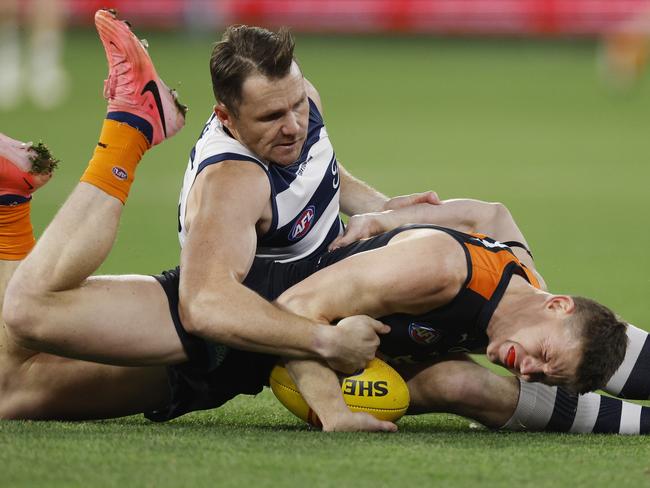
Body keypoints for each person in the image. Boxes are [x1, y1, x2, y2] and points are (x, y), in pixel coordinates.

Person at [2, 10, 649, 434]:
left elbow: (493, 216)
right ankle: (132, 127)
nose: (293, 126)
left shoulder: (303, 106)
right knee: (24, 321)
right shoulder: (232, 182)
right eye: (271, 118)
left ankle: (8, 201)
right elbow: (222, 303)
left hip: (240, 354)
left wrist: (379, 208)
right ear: (229, 120)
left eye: (297, 108)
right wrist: (331, 395)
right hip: (228, 314)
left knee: (13, 386)